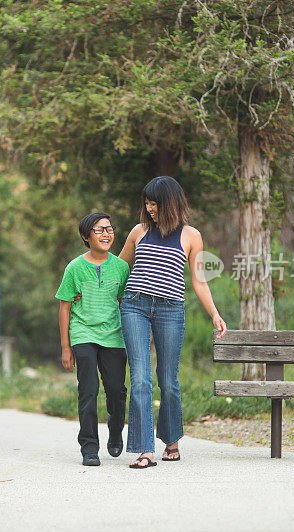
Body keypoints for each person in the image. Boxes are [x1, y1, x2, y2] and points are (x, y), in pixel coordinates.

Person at [118, 176, 227, 469]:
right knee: (140, 377)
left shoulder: (191, 236)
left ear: (169, 203)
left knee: (168, 380)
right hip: (134, 306)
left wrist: (214, 314)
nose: (149, 207)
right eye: (147, 202)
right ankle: (145, 449)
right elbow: (119, 269)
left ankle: (171, 440)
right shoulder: (138, 231)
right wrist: (89, 287)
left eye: (154, 202)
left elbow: (199, 282)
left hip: (170, 309)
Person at [56, 212, 131, 466]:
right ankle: (89, 447)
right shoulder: (75, 268)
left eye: (109, 229)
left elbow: (123, 303)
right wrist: (66, 347)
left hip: (114, 335)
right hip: (83, 333)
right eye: (99, 230)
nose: (106, 234)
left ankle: (116, 431)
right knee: (88, 391)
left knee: (117, 391)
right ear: (86, 237)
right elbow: (65, 306)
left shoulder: (121, 267)